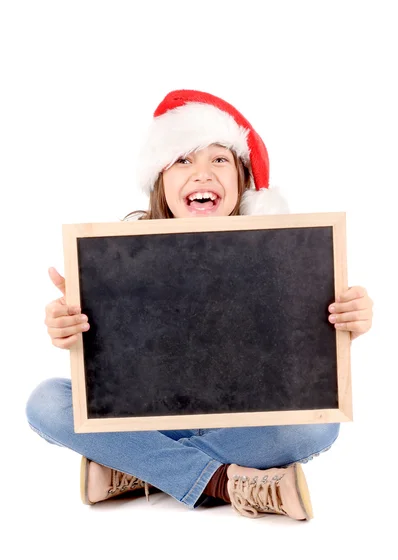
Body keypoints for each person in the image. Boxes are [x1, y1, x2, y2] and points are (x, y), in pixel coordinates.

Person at [25, 89, 374, 520]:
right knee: (45, 400)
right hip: (150, 419)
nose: (202, 173)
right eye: (184, 160)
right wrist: (70, 327)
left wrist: (344, 326)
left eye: (219, 159)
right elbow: (105, 374)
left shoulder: (281, 256)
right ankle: (223, 482)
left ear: (241, 180)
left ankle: (137, 468)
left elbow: (302, 367)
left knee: (318, 421)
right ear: (161, 181)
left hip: (244, 421)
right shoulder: (118, 257)